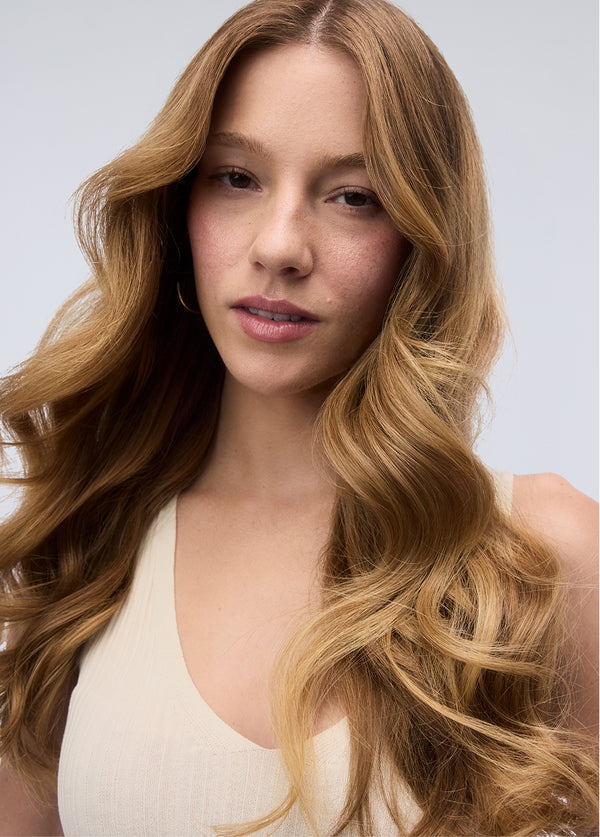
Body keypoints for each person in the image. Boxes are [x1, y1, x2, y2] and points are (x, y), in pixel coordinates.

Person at [0, 0, 597, 834]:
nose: (280, 245)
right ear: (178, 209)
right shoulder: (92, 548)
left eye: (353, 196)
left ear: (422, 240)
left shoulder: (544, 558)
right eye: (236, 178)